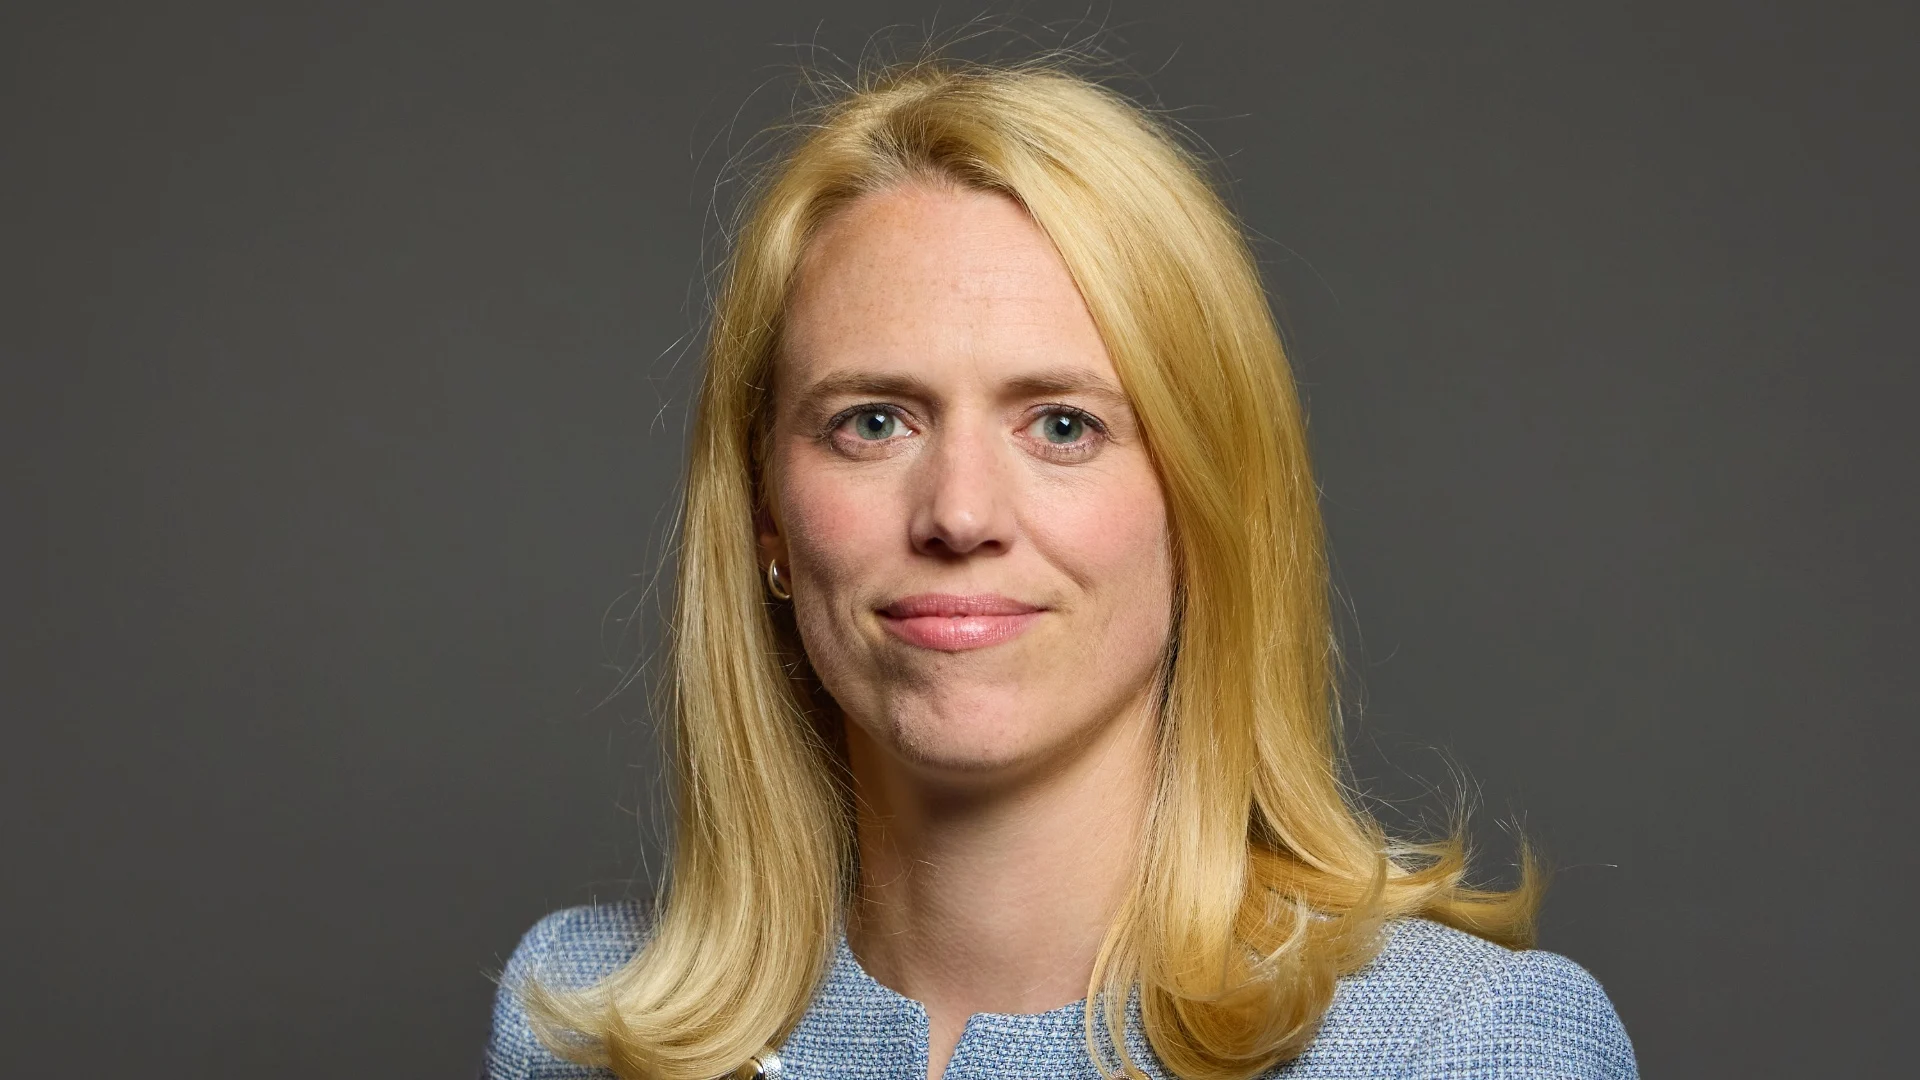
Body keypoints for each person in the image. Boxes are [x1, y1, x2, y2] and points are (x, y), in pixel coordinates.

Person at [482, 54, 1636, 1080]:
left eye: (1064, 426)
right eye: (873, 422)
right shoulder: (577, 1027)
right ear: (766, 517)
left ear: (1204, 505)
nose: (960, 513)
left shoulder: (1464, 1048)